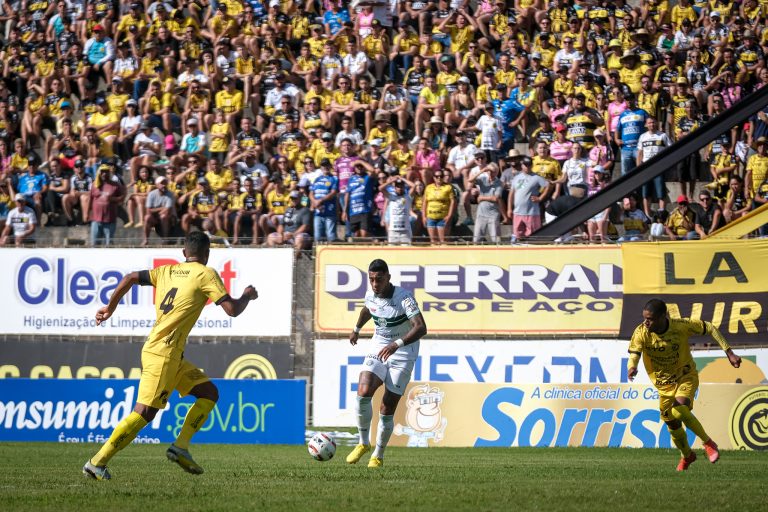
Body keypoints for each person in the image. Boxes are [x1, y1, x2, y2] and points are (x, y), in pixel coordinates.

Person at [83, 231, 259, 481]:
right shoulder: (206, 274)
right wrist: (246, 297)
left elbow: (131, 277)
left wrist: (110, 308)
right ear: (207, 254)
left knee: (209, 393)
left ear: (184, 253)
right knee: (145, 412)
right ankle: (96, 463)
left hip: (168, 352)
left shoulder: (166, 271)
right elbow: (231, 310)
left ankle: (180, 447)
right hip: (163, 352)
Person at [627, 299, 741, 471]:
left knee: (678, 409)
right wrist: (632, 366)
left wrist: (729, 352)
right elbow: (634, 353)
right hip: (664, 386)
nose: (646, 322)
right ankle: (687, 456)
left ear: (662, 317)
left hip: (685, 376)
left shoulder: (681, 326)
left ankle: (708, 443)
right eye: (645, 318)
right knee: (672, 423)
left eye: (650, 318)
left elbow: (709, 327)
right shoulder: (641, 332)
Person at [347, 259, 427, 468]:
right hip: (379, 346)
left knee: (386, 407)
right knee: (363, 391)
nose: (374, 284)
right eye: (371, 279)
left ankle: (378, 455)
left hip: (403, 352)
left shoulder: (404, 298)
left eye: (379, 280)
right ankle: (363, 443)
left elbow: (420, 327)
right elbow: (368, 309)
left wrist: (396, 344)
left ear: (388, 278)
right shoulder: (370, 294)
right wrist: (356, 329)